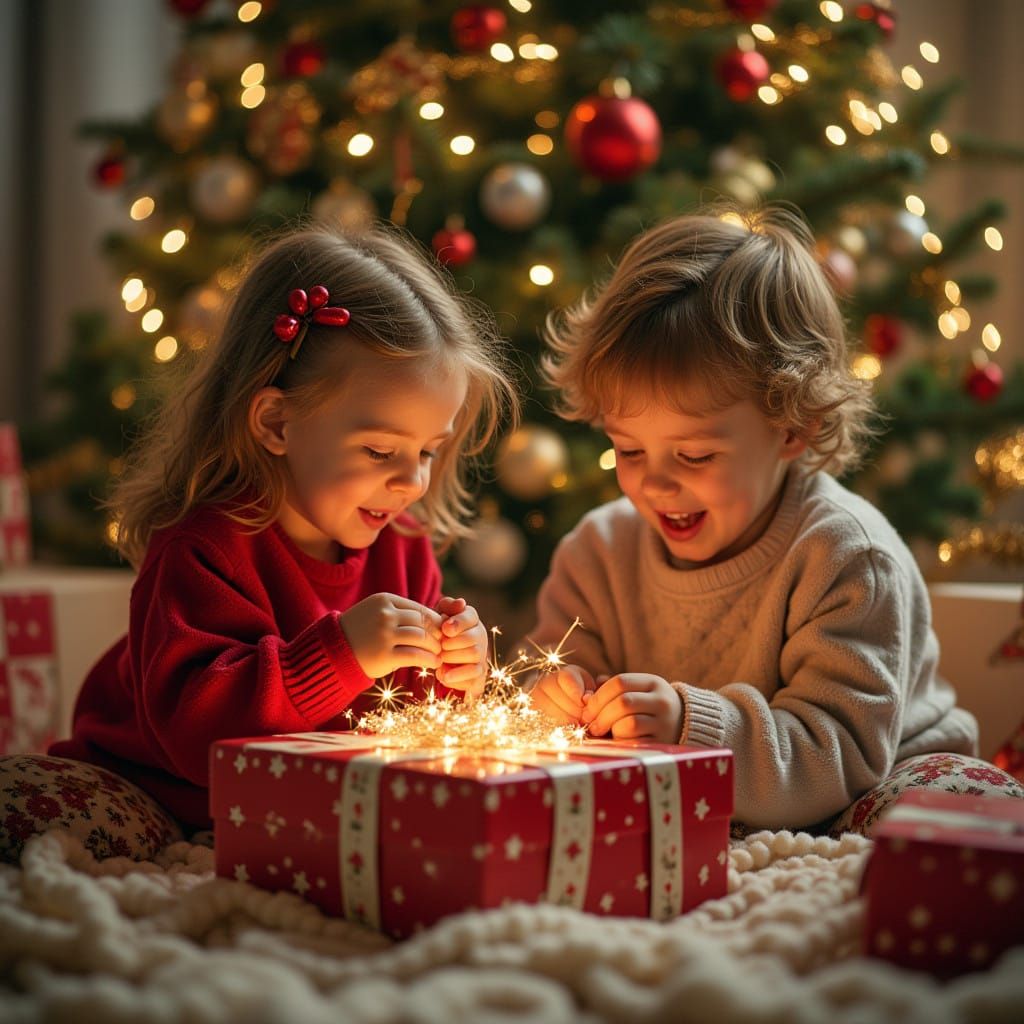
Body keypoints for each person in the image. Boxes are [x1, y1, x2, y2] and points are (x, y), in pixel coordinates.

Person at [1, 223, 517, 861]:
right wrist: (341, 654)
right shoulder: (205, 546)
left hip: (298, 805)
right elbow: (197, 740)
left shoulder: (402, 548)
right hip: (155, 790)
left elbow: (404, 721)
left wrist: (454, 674)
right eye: (381, 450)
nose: (412, 481)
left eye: (429, 451)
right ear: (276, 422)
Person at [525, 205, 1017, 835]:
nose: (653, 482)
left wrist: (689, 724)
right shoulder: (597, 550)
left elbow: (836, 753)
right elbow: (549, 669)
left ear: (793, 429)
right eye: (629, 449)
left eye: (696, 454)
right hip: (697, 799)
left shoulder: (845, 555)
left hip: (870, 784)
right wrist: (558, 694)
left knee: (963, 804)